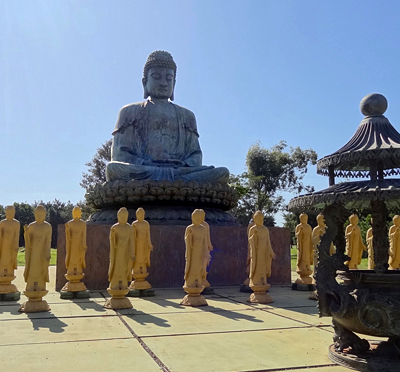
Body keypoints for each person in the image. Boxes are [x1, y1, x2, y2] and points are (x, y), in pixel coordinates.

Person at [105, 50, 229, 183]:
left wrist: (183, 164)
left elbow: (196, 155)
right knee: (113, 169)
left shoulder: (187, 116)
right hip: (144, 170)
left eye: (168, 79)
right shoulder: (129, 111)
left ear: (174, 83)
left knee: (221, 173)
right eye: (156, 77)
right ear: (144, 82)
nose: (163, 83)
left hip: (180, 172)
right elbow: (119, 154)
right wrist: (146, 162)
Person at [23, 205, 52, 292]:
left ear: (45, 215)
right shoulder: (32, 226)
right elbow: (29, 244)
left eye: (41, 214)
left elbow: (48, 242)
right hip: (33, 253)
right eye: (37, 214)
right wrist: (26, 234)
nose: (39, 216)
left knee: (41, 270)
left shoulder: (47, 227)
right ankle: (31, 286)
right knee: (32, 269)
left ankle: (41, 286)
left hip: (42, 253)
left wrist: (47, 253)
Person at [108, 207, 135, 291]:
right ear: (118, 216)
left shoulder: (129, 228)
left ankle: (123, 284)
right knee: (117, 268)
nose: (123, 218)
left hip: (126, 253)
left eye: (125, 216)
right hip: (117, 252)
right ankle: (114, 284)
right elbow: (112, 241)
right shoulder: (115, 227)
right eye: (121, 216)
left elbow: (131, 242)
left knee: (125, 269)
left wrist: (132, 253)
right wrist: (113, 236)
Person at [248, 211, 276, 287]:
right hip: (257, 252)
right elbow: (250, 240)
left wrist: (271, 251)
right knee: (257, 265)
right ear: (255, 219)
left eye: (261, 219)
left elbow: (268, 242)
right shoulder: (252, 229)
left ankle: (264, 280)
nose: (260, 220)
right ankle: (256, 281)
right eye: (258, 219)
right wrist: (254, 236)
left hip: (264, 251)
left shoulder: (265, 229)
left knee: (264, 266)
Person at [0, 205, 20, 279]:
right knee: (3, 259)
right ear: (5, 213)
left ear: (14, 213)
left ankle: (10, 273)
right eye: (8, 213)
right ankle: (1, 273)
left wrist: (16, 246)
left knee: (10, 260)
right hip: (4, 246)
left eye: (11, 213)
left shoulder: (16, 223)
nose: (9, 215)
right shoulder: (2, 223)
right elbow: (0, 237)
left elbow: (16, 236)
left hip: (11, 246)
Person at [295, 213, 313, 283]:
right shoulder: (299, 226)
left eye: (305, 219)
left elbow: (311, 237)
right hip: (301, 246)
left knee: (307, 257)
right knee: (302, 257)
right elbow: (297, 235)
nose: (304, 220)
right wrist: (300, 232)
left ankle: (307, 268)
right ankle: (302, 268)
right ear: (300, 219)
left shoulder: (309, 227)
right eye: (303, 219)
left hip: (307, 245)